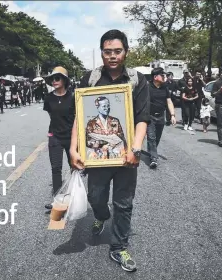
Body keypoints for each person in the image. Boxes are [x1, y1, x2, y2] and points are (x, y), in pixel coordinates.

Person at [70, 29, 150, 272]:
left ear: (125, 52)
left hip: (126, 158)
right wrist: (73, 149)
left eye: (117, 51)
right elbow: (78, 117)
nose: (112, 56)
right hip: (97, 161)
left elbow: (142, 118)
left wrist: (135, 149)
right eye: (108, 52)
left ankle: (119, 248)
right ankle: (101, 216)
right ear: (102, 53)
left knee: (124, 204)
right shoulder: (91, 79)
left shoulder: (137, 80)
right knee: (96, 198)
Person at [43, 66, 75, 209]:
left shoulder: (73, 97)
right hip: (55, 137)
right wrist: (51, 133)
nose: (54, 81)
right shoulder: (48, 98)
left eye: (57, 78)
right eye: (52, 79)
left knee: (75, 168)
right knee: (56, 169)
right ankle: (57, 199)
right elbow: (52, 117)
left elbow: (76, 118)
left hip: (71, 137)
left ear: (64, 80)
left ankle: (75, 197)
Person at [147, 67, 176, 169]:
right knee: (151, 137)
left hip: (161, 116)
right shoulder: (147, 87)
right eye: (162, 75)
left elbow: (169, 101)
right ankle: (154, 159)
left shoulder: (165, 87)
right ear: (155, 77)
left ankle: (151, 151)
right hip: (149, 116)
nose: (165, 77)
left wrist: (172, 115)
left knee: (157, 137)